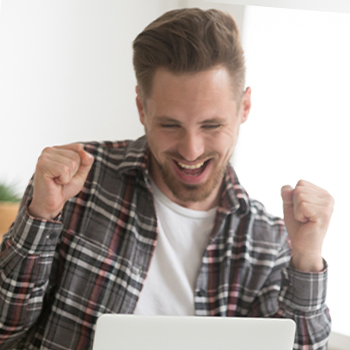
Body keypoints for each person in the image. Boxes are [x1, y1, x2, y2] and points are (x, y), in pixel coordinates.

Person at [0, 8, 333, 350]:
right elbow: (4, 330)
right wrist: (40, 217)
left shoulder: (266, 241)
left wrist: (307, 258)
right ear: (142, 108)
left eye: (212, 125)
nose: (191, 150)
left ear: (244, 107)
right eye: (170, 125)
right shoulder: (77, 184)